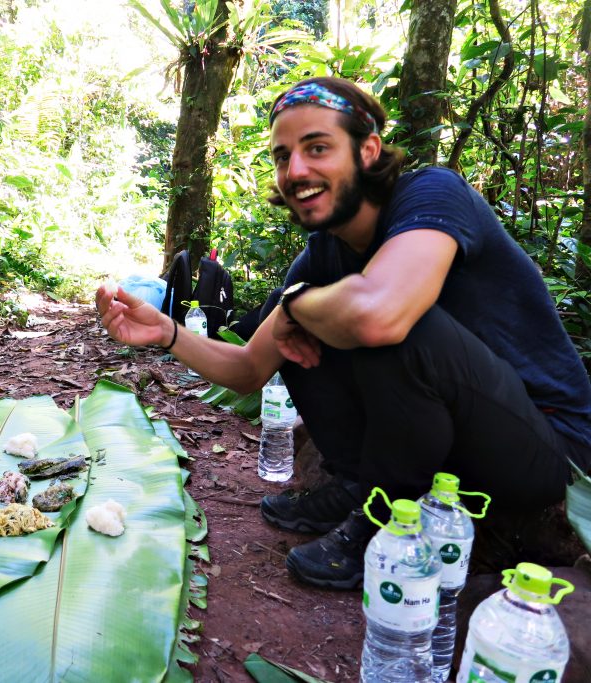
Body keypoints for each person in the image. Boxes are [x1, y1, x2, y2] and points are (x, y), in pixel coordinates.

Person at [96, 77, 591, 589]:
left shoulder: (432, 194)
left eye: (317, 148)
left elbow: (382, 316)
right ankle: (363, 485)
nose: (296, 170)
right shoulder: (323, 254)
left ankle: (385, 519)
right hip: (458, 441)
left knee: (379, 321)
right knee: (307, 326)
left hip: (549, 448)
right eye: (283, 156)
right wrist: (168, 333)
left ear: (368, 150)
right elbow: (248, 370)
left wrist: (295, 307)